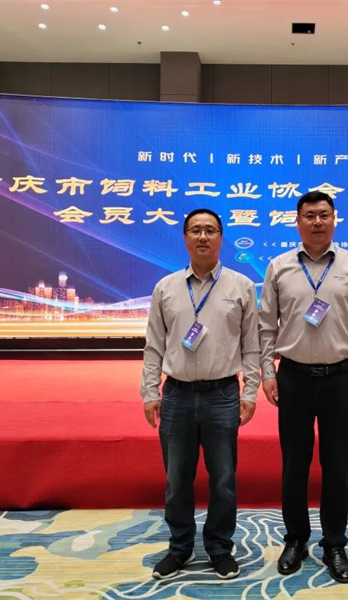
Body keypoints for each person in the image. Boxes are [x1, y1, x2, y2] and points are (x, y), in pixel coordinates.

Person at [259, 190, 348, 584]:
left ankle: (334, 543)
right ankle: (296, 539)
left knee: (336, 465)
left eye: (324, 215)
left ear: (334, 219)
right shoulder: (279, 267)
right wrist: (266, 371)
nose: (317, 222)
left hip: (340, 377)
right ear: (297, 222)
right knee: (294, 465)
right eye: (309, 215)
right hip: (293, 377)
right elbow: (266, 327)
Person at [140, 208, 260, 581]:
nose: (203, 236)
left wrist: (250, 391)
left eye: (210, 230)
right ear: (185, 238)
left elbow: (252, 345)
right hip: (176, 395)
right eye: (195, 230)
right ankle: (180, 548)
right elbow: (153, 345)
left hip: (222, 394)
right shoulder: (166, 287)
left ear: (221, 238)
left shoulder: (241, 286)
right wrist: (150, 390)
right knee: (177, 480)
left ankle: (219, 548)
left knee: (223, 479)